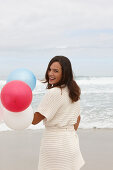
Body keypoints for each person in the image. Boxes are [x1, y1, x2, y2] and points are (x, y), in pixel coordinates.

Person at [32, 56, 85, 170]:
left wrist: (19, 109)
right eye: (50, 69)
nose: (51, 73)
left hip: (55, 146)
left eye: (56, 71)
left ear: (64, 73)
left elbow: (34, 120)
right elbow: (78, 118)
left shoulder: (55, 92)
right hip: (71, 143)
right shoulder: (73, 90)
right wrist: (66, 133)